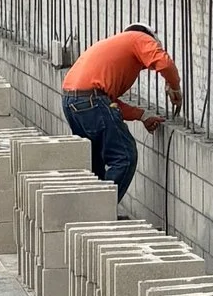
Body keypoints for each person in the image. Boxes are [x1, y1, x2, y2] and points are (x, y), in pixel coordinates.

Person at [61, 22, 181, 207]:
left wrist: (142, 115)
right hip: (90, 100)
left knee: (94, 164)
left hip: (71, 101)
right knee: (124, 157)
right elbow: (164, 63)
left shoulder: (114, 46)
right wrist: (174, 87)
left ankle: (85, 215)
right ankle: (100, 212)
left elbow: (107, 104)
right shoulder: (139, 38)